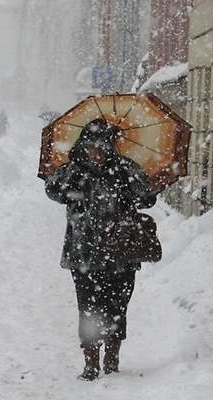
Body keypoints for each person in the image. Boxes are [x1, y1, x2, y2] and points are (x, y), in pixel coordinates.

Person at [44, 118, 161, 381]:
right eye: (91, 147)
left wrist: (127, 178)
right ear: (83, 146)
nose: (97, 153)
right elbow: (52, 190)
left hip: (121, 252)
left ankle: (111, 357)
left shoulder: (124, 168)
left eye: (103, 147)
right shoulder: (73, 171)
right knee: (88, 309)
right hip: (83, 254)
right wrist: (75, 174)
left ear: (110, 147)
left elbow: (148, 197)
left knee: (118, 305)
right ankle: (91, 362)